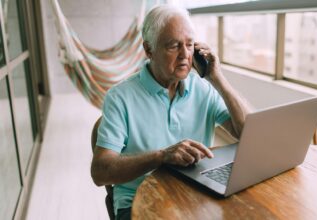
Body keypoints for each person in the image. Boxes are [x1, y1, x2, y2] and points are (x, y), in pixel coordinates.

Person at [91, 4, 251, 220]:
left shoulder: (203, 88)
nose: (185, 55)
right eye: (173, 46)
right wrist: (161, 156)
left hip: (196, 195)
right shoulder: (120, 97)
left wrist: (218, 79)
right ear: (149, 50)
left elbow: (248, 133)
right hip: (138, 201)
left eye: (189, 44)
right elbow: (100, 172)